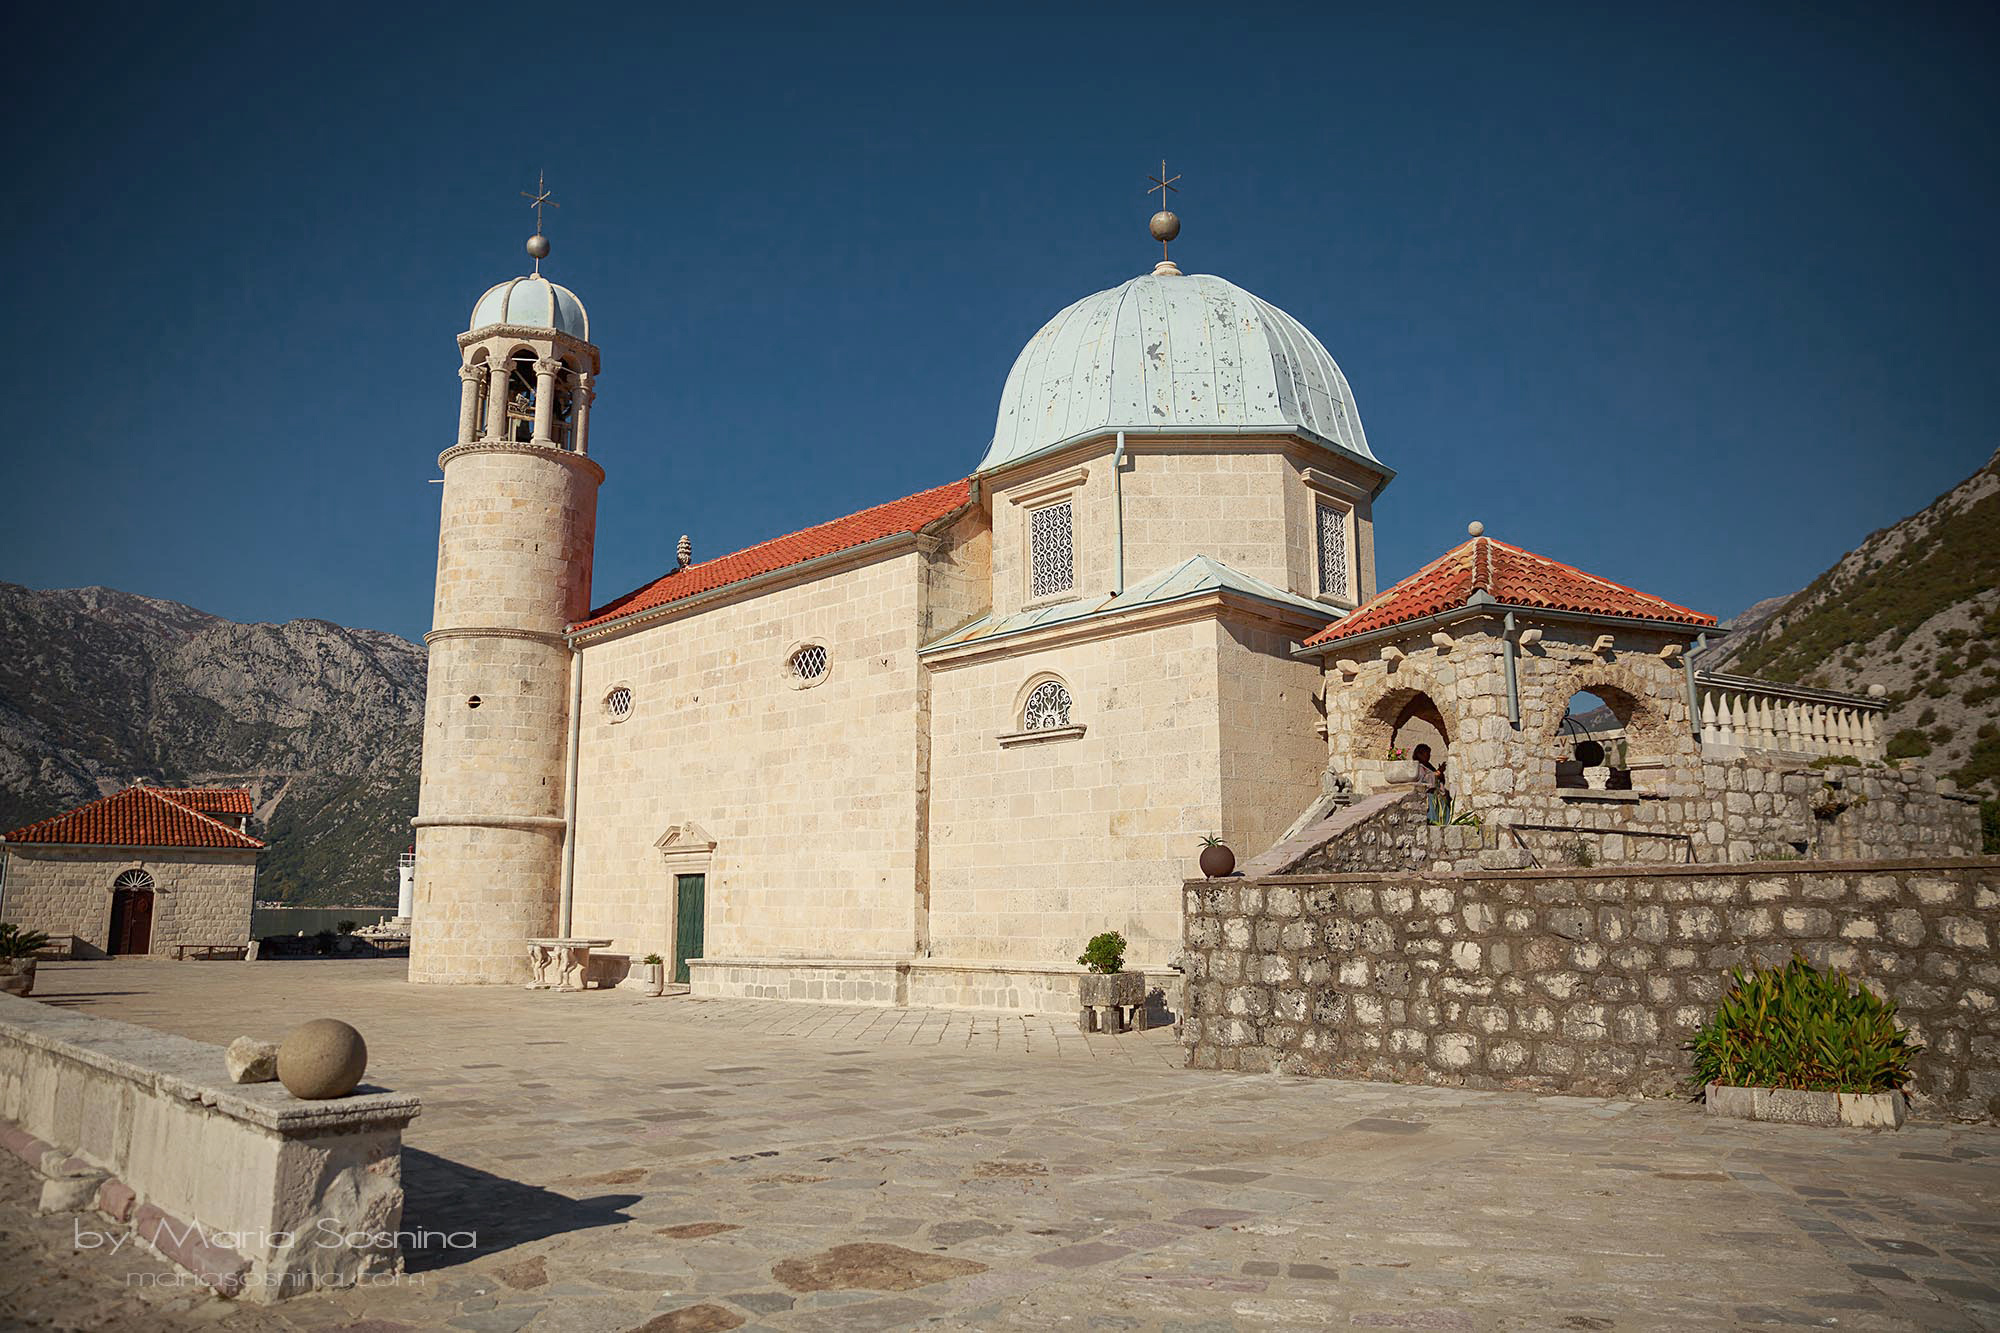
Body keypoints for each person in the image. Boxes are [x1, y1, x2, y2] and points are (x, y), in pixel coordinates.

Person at [1413, 744, 1449, 822]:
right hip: (1429, 797)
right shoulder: (1416, 766)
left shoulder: (1429, 766)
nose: (1429, 756)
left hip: (1437, 796)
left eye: (1429, 753)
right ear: (1419, 754)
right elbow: (1421, 779)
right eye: (1427, 753)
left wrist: (1440, 773)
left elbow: (1438, 779)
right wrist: (1435, 774)